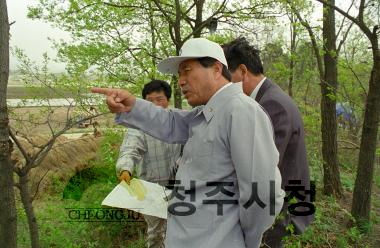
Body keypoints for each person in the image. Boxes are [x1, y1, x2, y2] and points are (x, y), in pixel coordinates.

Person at [92, 38, 284, 248]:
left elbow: (263, 194)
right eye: (179, 74)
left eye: (187, 70)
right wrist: (132, 106)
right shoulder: (207, 112)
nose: (181, 81)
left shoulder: (241, 112)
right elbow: (170, 122)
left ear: (216, 69)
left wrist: (247, 240)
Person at [223, 37, 314, 247]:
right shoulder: (267, 98)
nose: (226, 87)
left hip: (281, 215)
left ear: (243, 71)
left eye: (228, 78)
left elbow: (260, 169)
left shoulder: (271, 104)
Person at [116, 80, 181, 248]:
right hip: (152, 188)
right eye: (150, 100)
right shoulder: (139, 126)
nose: (155, 104)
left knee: (180, 230)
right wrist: (125, 168)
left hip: (180, 188)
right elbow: (130, 149)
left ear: (168, 100)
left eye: (159, 99)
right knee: (155, 233)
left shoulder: (178, 120)